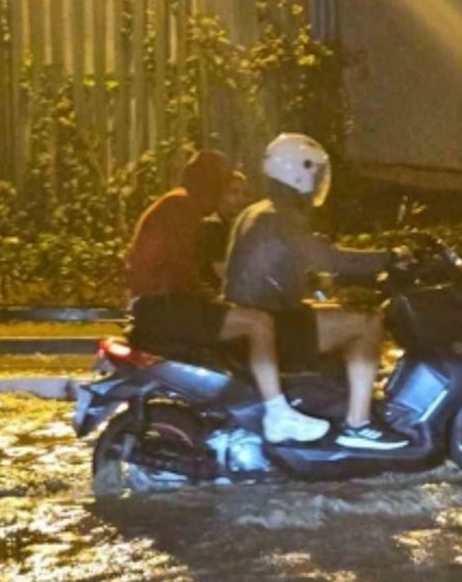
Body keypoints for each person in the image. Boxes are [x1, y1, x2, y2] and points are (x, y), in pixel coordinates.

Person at [126, 149, 328, 444]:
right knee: (258, 323)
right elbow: (178, 266)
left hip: (159, 304)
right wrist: (209, 302)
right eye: (222, 187)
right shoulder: (182, 207)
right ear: (210, 185)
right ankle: (277, 413)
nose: (224, 196)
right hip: (164, 306)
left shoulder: (180, 205)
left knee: (248, 321)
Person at [224, 133, 410, 451]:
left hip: (256, 315)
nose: (321, 182)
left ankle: (335, 400)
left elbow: (283, 267)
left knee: (337, 311)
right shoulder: (280, 217)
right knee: (368, 323)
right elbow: (328, 258)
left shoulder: (259, 211)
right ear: (301, 172)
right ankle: (358, 424)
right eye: (318, 173)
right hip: (272, 322)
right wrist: (390, 257)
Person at [201, 170, 249, 290]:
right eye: (234, 192)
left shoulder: (227, 225)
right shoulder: (213, 225)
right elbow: (224, 274)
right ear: (220, 194)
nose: (240, 199)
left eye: (243, 193)